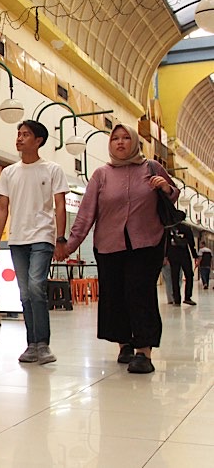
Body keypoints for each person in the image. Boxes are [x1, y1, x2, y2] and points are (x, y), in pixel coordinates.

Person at [58, 124, 178, 374]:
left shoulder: (151, 168)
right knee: (115, 295)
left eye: (126, 138)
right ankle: (124, 343)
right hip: (109, 244)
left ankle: (144, 350)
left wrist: (165, 188)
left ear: (134, 142)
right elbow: (85, 214)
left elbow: (173, 194)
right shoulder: (101, 174)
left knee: (140, 292)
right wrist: (69, 246)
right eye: (115, 139)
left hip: (146, 243)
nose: (120, 142)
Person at [0, 120, 68, 365]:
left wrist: (60, 239)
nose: (20, 138)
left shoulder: (52, 169)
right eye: (18, 134)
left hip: (43, 236)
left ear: (39, 141)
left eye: (26, 135)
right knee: (24, 293)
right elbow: (2, 208)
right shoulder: (9, 172)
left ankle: (43, 344)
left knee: (36, 286)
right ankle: (32, 344)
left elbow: (61, 205)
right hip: (17, 239)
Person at [166, 222, 197, 306]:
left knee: (174, 277)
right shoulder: (186, 228)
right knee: (189, 275)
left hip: (173, 255)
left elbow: (166, 243)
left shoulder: (169, 228)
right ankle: (187, 297)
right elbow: (191, 243)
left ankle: (177, 299)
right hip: (184, 254)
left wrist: (165, 256)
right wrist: (195, 256)